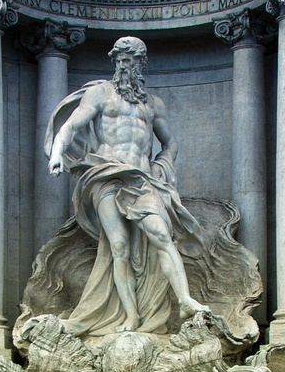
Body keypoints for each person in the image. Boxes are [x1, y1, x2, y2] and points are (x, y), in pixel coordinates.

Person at [44, 36, 210, 335]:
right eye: (119, 59)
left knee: (161, 234)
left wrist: (163, 166)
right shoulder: (100, 93)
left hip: (143, 179)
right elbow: (71, 125)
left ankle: (185, 300)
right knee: (118, 246)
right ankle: (131, 317)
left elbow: (170, 141)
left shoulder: (153, 104)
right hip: (106, 174)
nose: (123, 64)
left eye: (129, 60)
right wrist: (57, 153)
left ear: (140, 63)